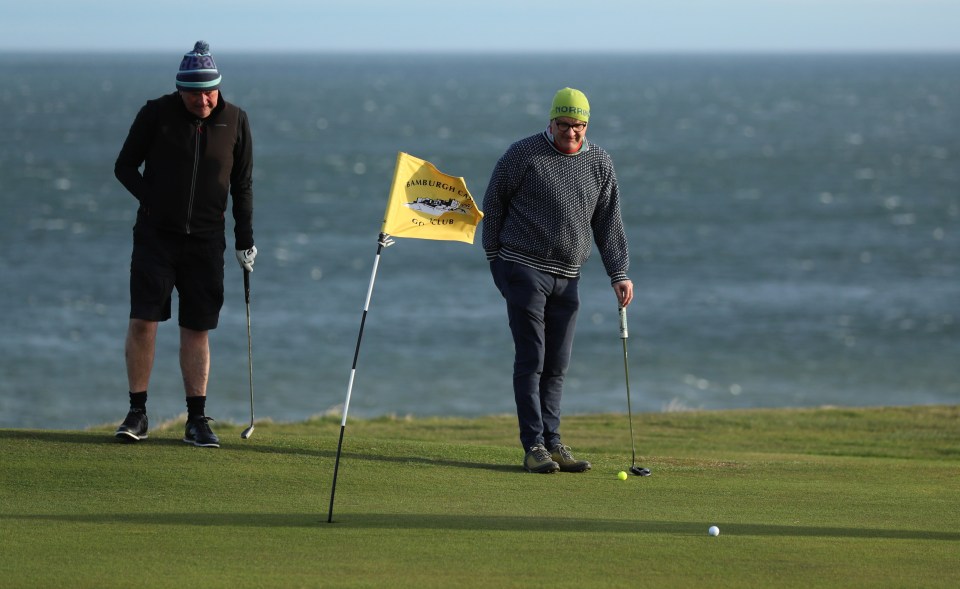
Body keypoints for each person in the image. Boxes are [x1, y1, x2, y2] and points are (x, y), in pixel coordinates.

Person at [113, 41, 257, 448]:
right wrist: (152, 200)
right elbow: (124, 166)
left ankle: (196, 420)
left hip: (207, 242)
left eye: (209, 90)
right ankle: (137, 413)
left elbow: (242, 187)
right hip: (156, 238)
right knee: (144, 321)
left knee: (197, 328)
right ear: (180, 89)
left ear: (218, 86)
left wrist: (245, 241)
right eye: (194, 92)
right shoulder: (155, 114)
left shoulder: (236, 120)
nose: (203, 99)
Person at [482, 87, 633, 473]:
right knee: (531, 358)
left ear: (587, 125)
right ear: (551, 121)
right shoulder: (523, 155)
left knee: (557, 364)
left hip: (569, 277)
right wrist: (496, 262)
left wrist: (618, 273)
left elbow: (607, 221)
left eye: (579, 126)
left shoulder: (599, 161)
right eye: (564, 125)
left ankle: (553, 442)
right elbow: (494, 203)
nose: (571, 133)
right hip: (523, 268)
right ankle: (534, 447)